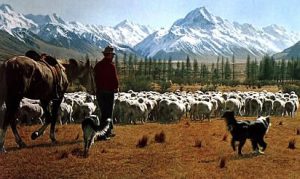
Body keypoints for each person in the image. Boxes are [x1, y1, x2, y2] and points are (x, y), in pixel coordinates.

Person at [94, 45, 119, 140]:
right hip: (108, 92)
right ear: (108, 55)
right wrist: (116, 87)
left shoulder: (98, 65)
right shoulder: (111, 66)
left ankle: (107, 131)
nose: (112, 56)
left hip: (99, 92)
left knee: (104, 112)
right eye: (112, 55)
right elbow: (114, 79)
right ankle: (102, 134)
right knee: (107, 113)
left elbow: (94, 77)